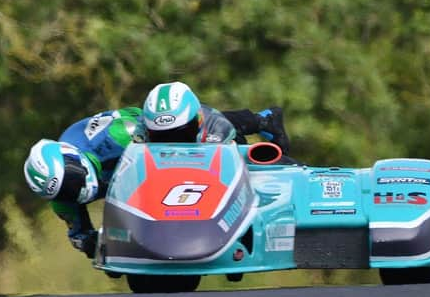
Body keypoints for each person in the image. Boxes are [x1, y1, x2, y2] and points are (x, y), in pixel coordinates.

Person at [23, 82, 290, 257]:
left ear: (73, 159)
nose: (75, 192)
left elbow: (161, 132)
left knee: (187, 134)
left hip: (147, 130)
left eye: (72, 182)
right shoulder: (61, 198)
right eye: (64, 192)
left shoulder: (119, 137)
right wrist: (100, 244)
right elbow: (81, 237)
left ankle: (262, 120)